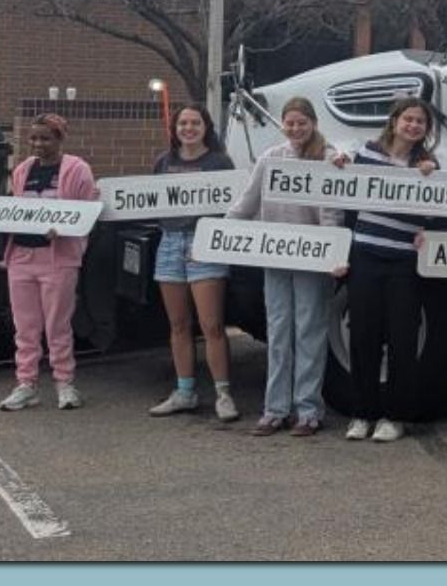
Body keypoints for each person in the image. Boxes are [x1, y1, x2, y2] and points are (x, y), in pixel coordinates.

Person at [225, 97, 346, 437]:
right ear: (282, 124)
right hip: (276, 257)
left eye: (301, 123)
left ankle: (308, 409)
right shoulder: (270, 159)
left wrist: (333, 253)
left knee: (309, 333)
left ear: (313, 123)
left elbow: (330, 213)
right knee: (279, 333)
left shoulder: (327, 157)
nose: (295, 129)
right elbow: (246, 204)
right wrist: (214, 235)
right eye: (289, 123)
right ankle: (275, 409)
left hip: (312, 260)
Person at [335, 97, 445, 444]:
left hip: (404, 263)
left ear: (426, 130)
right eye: (408, 119)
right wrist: (337, 163)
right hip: (365, 255)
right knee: (363, 338)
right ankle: (362, 413)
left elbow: (439, 212)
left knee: (402, 340)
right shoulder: (365, 153)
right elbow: (340, 181)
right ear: (395, 121)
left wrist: (431, 182)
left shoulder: (427, 165)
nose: (413, 126)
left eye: (420, 122)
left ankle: (394, 416)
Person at [0, 114, 98, 412]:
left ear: (59, 139)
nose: (38, 144)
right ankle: (26, 384)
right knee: (25, 326)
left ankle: (64, 383)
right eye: (34, 138)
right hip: (22, 256)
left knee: (57, 325)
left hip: (58, 258)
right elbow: (16, 210)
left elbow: (87, 212)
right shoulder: (23, 170)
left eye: (45, 138)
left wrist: (64, 229)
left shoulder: (77, 170)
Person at [146, 104, 239, 422]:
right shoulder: (163, 162)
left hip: (206, 244)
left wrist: (209, 242)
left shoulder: (219, 162)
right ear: (174, 128)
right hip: (170, 242)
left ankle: (223, 394)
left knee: (212, 325)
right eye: (182, 123)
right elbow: (147, 200)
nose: (188, 128)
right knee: (178, 325)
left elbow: (232, 206)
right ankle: (184, 391)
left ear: (206, 127)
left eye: (195, 122)